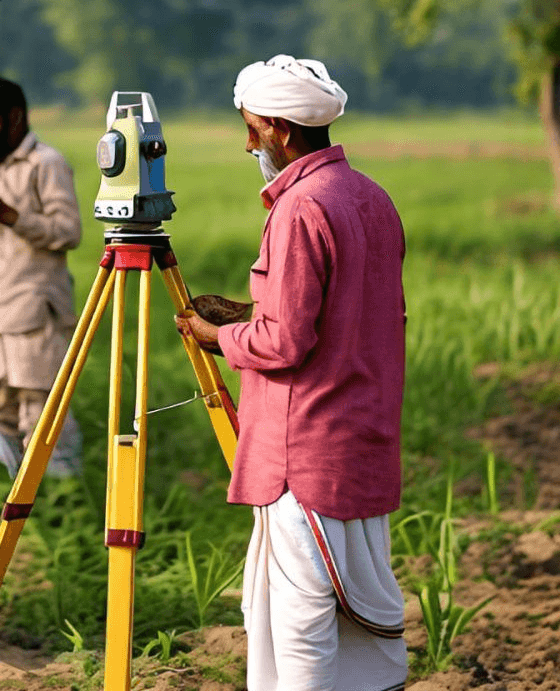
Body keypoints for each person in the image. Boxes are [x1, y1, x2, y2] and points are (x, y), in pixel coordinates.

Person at [175, 55, 409, 691]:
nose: (249, 143)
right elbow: (339, 316)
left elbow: (285, 341)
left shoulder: (300, 208)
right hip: (361, 442)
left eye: (252, 127)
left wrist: (216, 335)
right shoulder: (370, 197)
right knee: (359, 607)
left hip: (304, 454)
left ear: (279, 128)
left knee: (302, 619)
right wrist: (243, 315)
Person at [0, 77, 83, 478]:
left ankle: (59, 499)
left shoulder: (46, 163)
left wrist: (11, 217)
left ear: (14, 116)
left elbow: (68, 232)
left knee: (41, 408)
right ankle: (9, 501)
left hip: (37, 308)